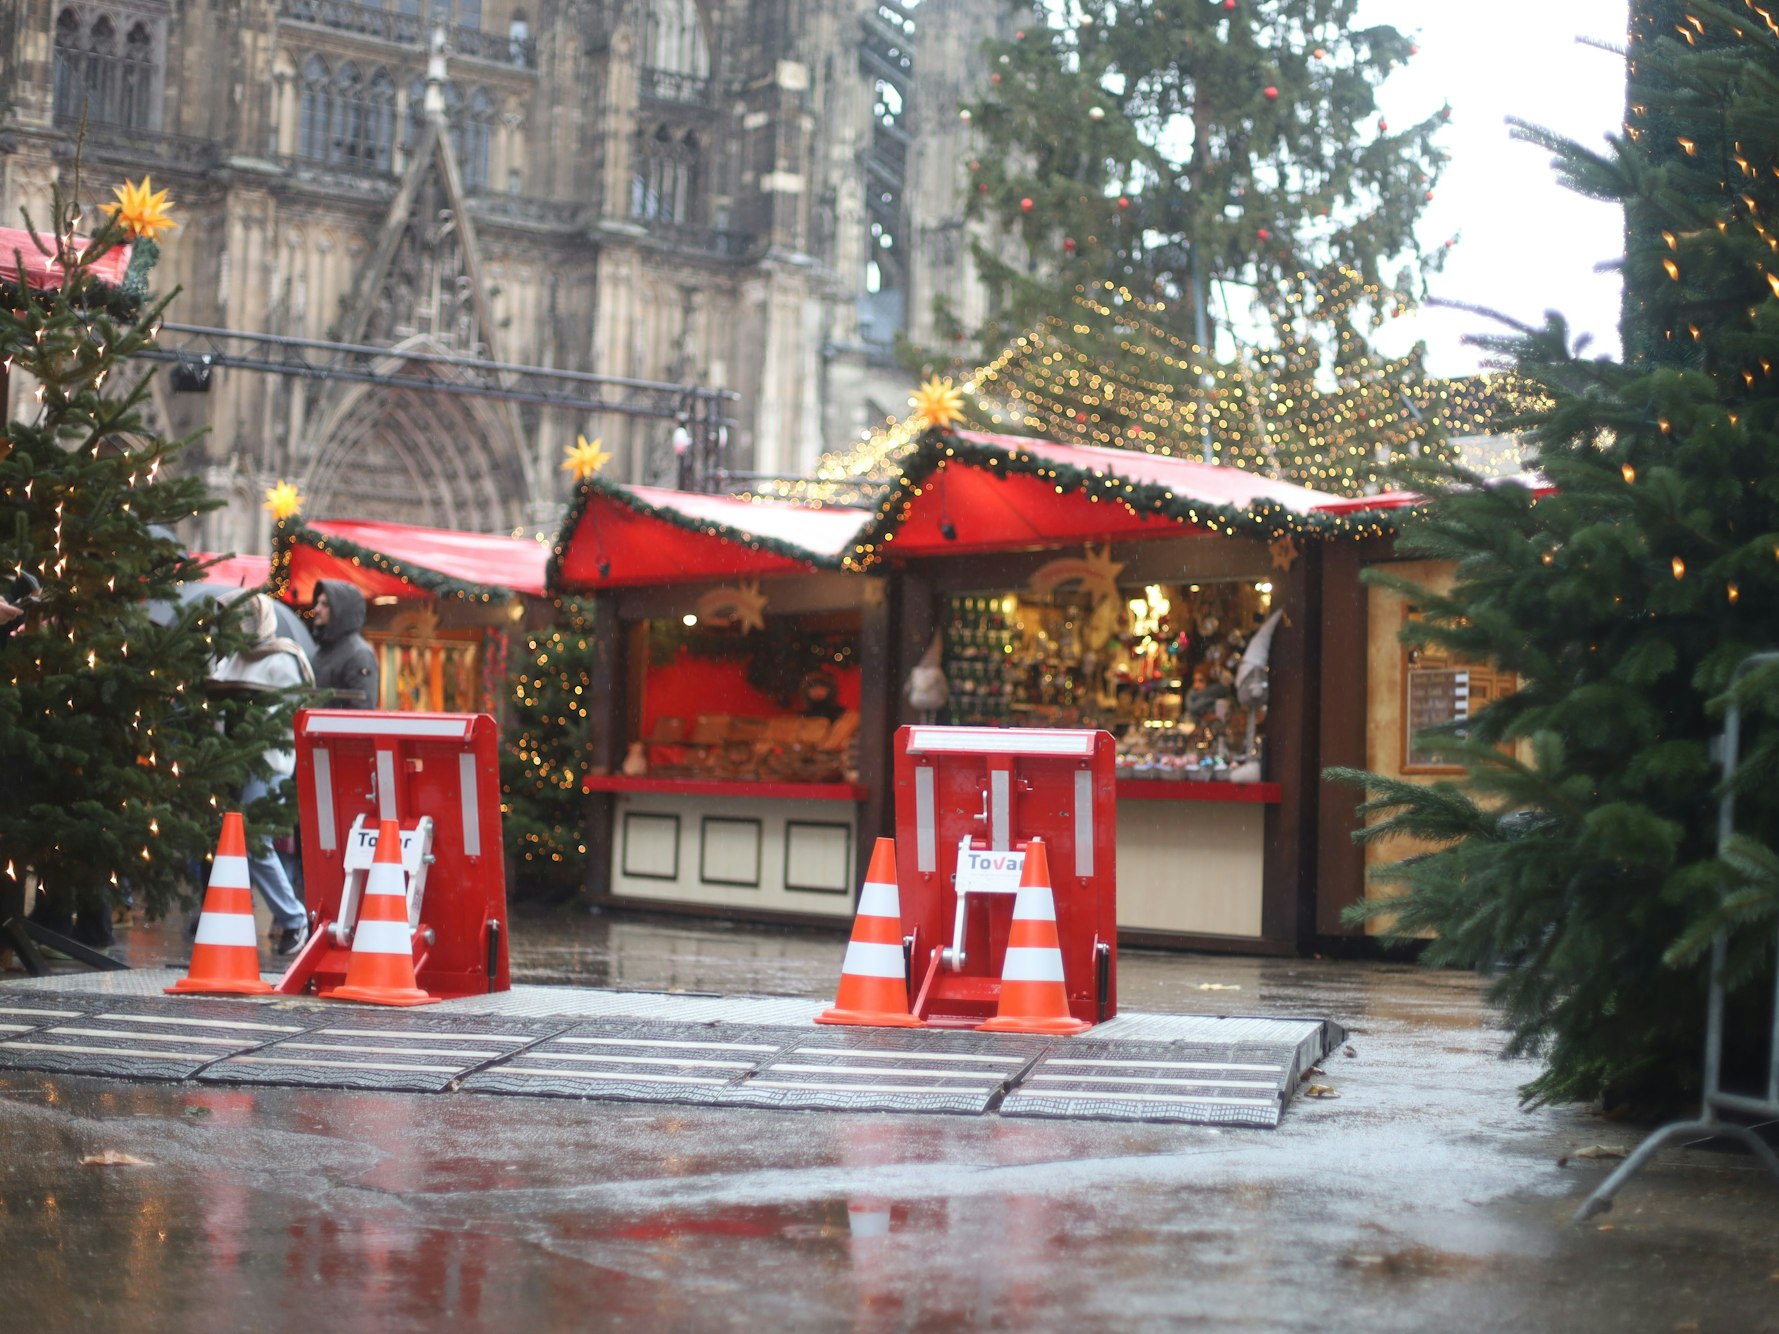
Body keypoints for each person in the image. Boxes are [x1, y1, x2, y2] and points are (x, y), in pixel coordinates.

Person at [208, 593, 315, 956]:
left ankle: (294, 917)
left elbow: (286, 717)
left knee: (255, 842)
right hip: (231, 760)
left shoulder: (283, 659)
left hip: (268, 762)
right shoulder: (236, 657)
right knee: (234, 843)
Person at [309, 579, 378, 709]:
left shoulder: (359, 655)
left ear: (340, 610)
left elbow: (362, 709)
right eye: (317, 603)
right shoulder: (320, 651)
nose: (317, 609)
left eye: (325, 604)